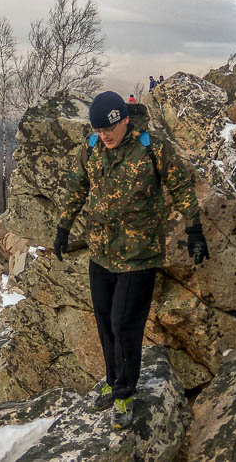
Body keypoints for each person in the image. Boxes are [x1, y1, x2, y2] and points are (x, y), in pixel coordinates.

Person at [53, 91, 209, 429]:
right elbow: (77, 187)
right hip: (101, 251)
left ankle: (125, 392)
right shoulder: (92, 147)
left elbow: (181, 185)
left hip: (139, 254)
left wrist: (194, 228)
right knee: (106, 321)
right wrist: (63, 227)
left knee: (125, 323)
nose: (104, 136)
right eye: (97, 130)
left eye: (108, 129)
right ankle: (112, 379)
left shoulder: (151, 146)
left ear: (124, 119)